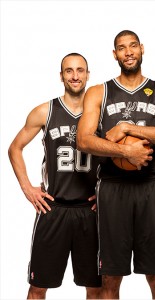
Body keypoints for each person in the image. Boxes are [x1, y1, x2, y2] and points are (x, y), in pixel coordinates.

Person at [77, 30, 155, 299]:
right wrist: (125, 151)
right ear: (115, 55)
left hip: (152, 185)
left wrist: (127, 127)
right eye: (122, 48)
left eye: (132, 46)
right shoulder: (98, 91)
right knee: (110, 278)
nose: (128, 52)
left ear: (142, 49)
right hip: (112, 187)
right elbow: (83, 140)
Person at [8, 53, 101, 299]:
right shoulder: (44, 111)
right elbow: (14, 148)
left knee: (96, 288)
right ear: (61, 76)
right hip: (53, 208)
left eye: (80, 70)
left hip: (90, 211)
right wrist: (27, 188)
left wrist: (106, 192)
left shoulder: (100, 115)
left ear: (88, 75)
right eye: (69, 71)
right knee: (38, 288)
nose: (75, 76)